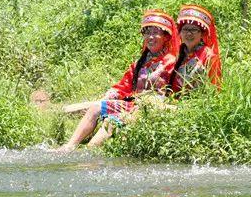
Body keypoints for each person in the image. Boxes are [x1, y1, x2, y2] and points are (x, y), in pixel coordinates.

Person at [57, 10, 180, 152]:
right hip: (133, 105)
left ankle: (88, 152)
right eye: (147, 33)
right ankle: (69, 146)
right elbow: (124, 86)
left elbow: (177, 90)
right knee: (95, 107)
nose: (150, 37)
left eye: (155, 33)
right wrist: (109, 96)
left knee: (111, 121)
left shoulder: (171, 62)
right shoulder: (139, 63)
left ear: (166, 37)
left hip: (150, 109)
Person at [169, 4, 222, 94]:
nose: (189, 34)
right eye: (185, 29)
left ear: (202, 34)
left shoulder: (209, 57)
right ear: (180, 33)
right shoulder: (179, 54)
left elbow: (215, 89)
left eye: (193, 30)